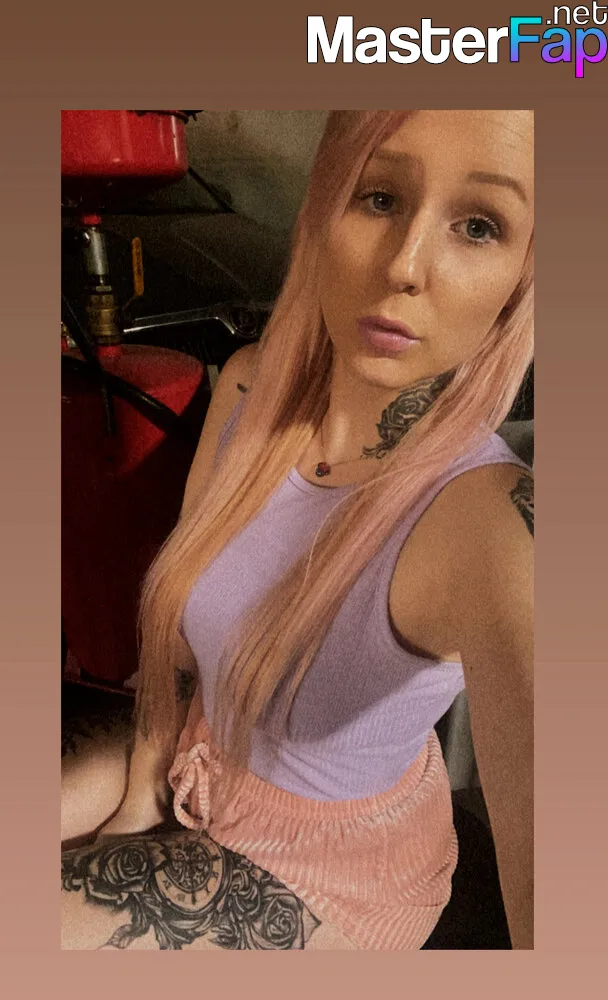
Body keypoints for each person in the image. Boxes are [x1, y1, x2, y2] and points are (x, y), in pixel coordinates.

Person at [61, 109, 534, 950]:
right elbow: (174, 640)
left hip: (336, 869)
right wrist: (140, 796)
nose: (404, 266)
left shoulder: (488, 518)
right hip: (194, 759)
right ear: (323, 209)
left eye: (478, 225)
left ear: (525, 272)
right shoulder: (249, 389)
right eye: (379, 198)